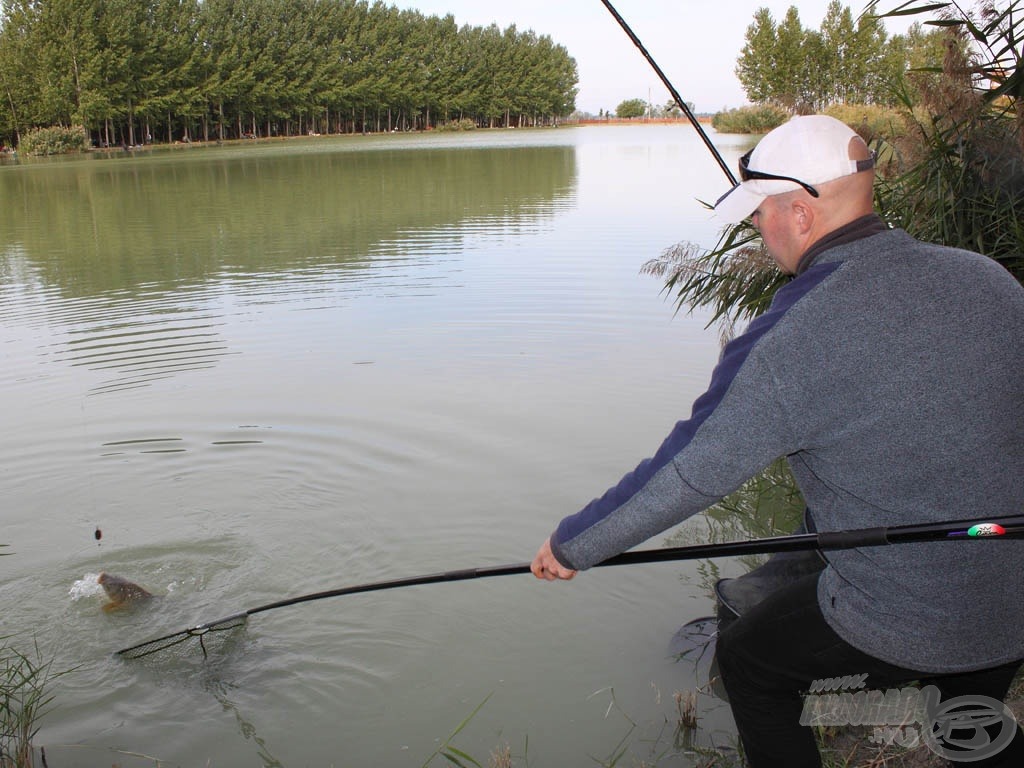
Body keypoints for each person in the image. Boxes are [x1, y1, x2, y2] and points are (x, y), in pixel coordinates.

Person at [530, 115, 1024, 767]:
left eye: (760, 212)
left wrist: (574, 544)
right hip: (1012, 588)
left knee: (750, 661)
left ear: (799, 212)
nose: (756, 228)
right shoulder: (987, 279)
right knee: (972, 709)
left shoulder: (791, 340)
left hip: (914, 615)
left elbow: (691, 472)